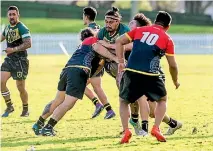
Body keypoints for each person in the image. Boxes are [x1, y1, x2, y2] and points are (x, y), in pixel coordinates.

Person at [32, 28, 118, 136]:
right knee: (68, 103)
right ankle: (48, 128)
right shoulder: (94, 40)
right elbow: (103, 52)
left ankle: (38, 123)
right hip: (79, 69)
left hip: (68, 69)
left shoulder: (86, 44)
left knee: (58, 100)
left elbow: (99, 65)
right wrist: (115, 58)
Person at [116, 11, 180, 143]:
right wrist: (175, 81)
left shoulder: (139, 30)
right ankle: (156, 128)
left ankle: (126, 130)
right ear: (168, 26)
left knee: (123, 101)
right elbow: (172, 65)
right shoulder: (167, 38)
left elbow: (118, 41)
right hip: (151, 74)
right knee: (162, 100)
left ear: (155, 21)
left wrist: (121, 62)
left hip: (131, 71)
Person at [82, 7, 115, 119]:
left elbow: (87, 48)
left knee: (78, 85)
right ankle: (109, 110)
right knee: (97, 87)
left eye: (83, 16)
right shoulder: (99, 28)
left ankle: (98, 104)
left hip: (92, 63)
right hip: (100, 61)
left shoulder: (89, 30)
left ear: (86, 16)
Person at [1, 6, 32, 117]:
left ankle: (25, 109)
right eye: (10, 14)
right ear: (7, 16)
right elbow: (1, 37)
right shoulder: (8, 28)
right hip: (9, 60)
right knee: (1, 81)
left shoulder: (22, 28)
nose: (12, 16)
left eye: (14, 14)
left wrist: (13, 49)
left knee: (20, 87)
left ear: (18, 15)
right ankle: (9, 106)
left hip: (20, 61)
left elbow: (28, 43)